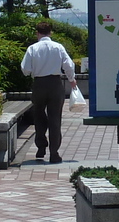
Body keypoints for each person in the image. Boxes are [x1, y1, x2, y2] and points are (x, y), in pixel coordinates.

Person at [20, 21, 77, 164]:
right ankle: (54, 153)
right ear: (50, 33)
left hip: (39, 84)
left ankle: (41, 145)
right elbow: (69, 65)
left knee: (38, 115)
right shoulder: (58, 47)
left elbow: (25, 70)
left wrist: (36, 69)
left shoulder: (32, 48)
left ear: (37, 33)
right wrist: (72, 80)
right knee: (55, 119)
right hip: (55, 84)